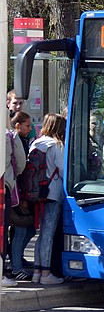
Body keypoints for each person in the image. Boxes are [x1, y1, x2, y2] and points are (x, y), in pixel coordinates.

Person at [29, 113, 66, 285]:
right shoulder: (56, 145)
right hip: (52, 193)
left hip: (36, 192)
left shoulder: (36, 143)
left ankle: (36, 271)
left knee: (41, 233)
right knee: (48, 234)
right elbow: (64, 170)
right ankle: (46, 273)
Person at [4, 112, 36, 284]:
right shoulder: (13, 138)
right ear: (17, 125)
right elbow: (21, 164)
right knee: (21, 228)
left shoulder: (22, 139)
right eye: (27, 126)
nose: (30, 129)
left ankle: (15, 263)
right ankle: (15, 266)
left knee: (24, 229)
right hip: (15, 187)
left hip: (16, 187)